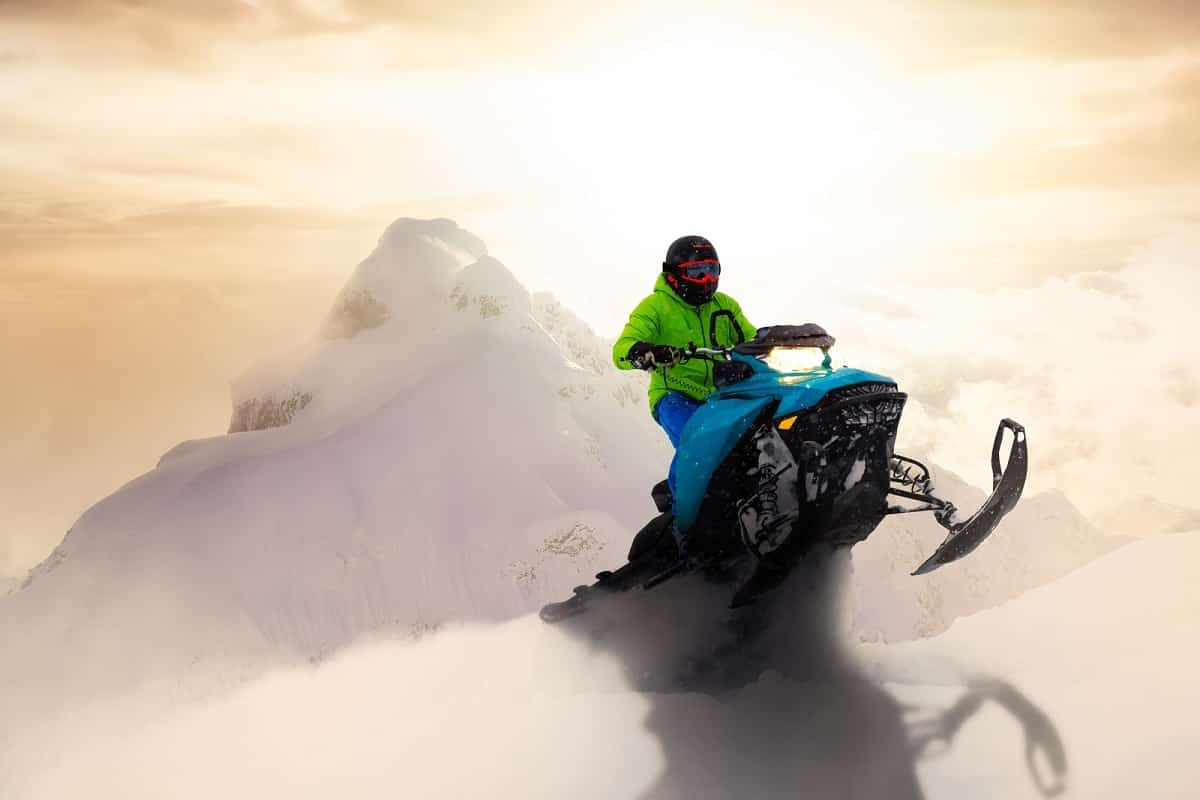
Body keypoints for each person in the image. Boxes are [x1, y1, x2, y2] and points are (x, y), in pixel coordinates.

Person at [613, 235, 757, 499]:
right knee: (698, 442)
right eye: (697, 272)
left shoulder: (725, 305)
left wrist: (768, 345)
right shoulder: (655, 307)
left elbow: (752, 339)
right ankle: (686, 519)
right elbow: (621, 350)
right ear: (674, 274)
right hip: (675, 394)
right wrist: (646, 351)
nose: (707, 280)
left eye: (712, 271)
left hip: (721, 394)